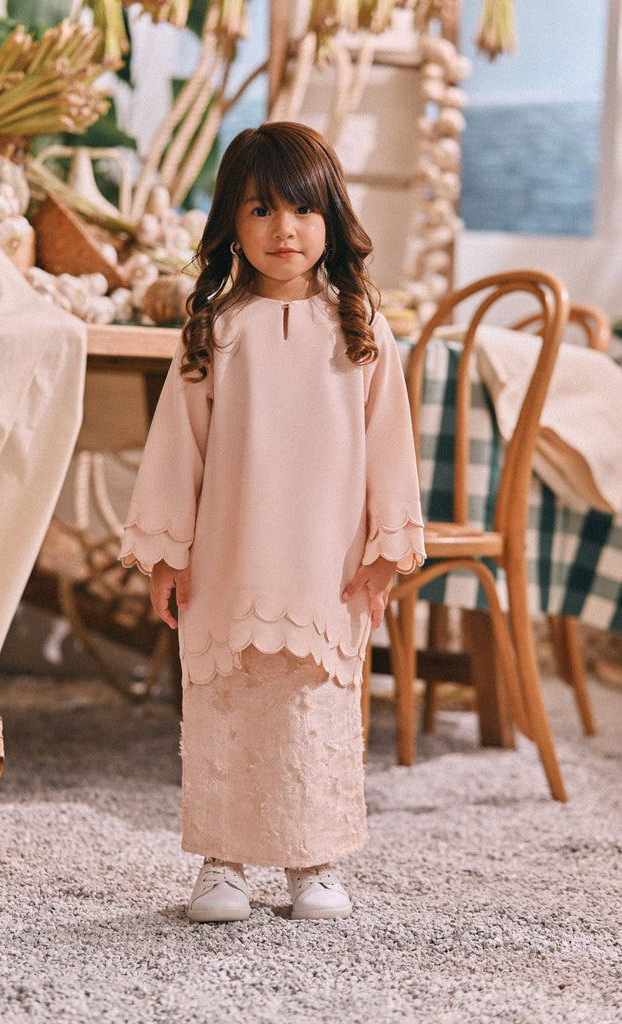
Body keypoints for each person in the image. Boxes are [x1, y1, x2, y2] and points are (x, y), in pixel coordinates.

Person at [120, 121, 425, 923]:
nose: (282, 229)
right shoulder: (214, 330)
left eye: (301, 209)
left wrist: (385, 552)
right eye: (260, 210)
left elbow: (390, 448)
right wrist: (166, 555)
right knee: (228, 700)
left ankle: (311, 862)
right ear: (232, 221)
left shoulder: (361, 329)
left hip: (327, 566)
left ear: (331, 219)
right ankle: (221, 863)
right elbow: (175, 450)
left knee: (311, 705)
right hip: (230, 560)